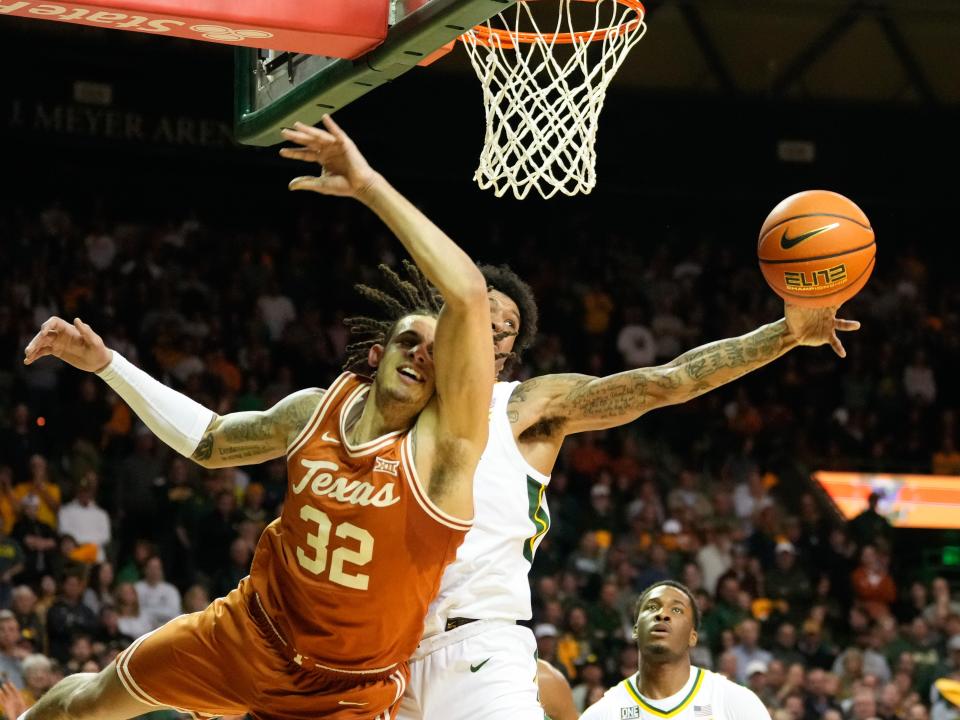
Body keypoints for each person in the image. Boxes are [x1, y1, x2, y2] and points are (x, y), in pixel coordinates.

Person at [18, 115, 494, 720]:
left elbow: (470, 295)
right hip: (249, 634)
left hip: (342, 688)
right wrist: (108, 364)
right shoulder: (313, 411)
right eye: (408, 343)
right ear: (377, 355)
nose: (422, 356)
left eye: (434, 353)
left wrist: (368, 184)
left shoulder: (443, 453)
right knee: (87, 701)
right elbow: (211, 442)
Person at [399, 262, 858, 719]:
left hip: (477, 648)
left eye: (509, 328)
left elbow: (668, 381)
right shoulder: (382, 409)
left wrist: (786, 334)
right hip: (381, 647)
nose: (498, 329)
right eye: (488, 312)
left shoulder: (524, 407)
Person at [579, 580, 769, 720]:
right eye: (652, 608)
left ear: (692, 636)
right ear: (636, 630)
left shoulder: (732, 701)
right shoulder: (604, 713)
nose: (662, 615)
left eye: (676, 610)